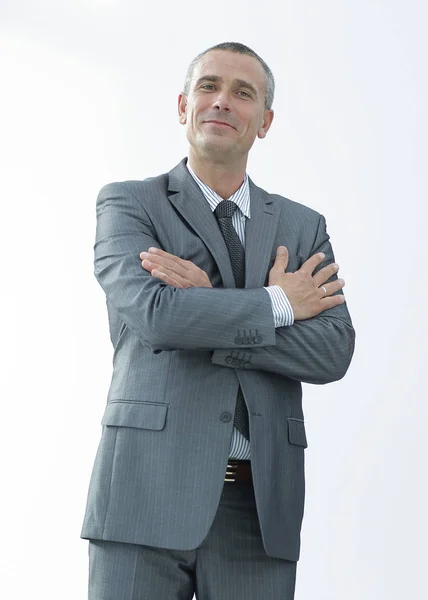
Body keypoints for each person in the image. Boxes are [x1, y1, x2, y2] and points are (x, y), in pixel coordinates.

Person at [81, 41, 355, 600]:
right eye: (208, 86)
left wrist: (208, 305)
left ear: (266, 121)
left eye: (243, 92)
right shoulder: (129, 206)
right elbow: (159, 318)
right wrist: (276, 306)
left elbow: (332, 351)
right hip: (143, 497)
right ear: (183, 106)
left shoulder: (303, 227)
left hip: (259, 510)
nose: (222, 101)